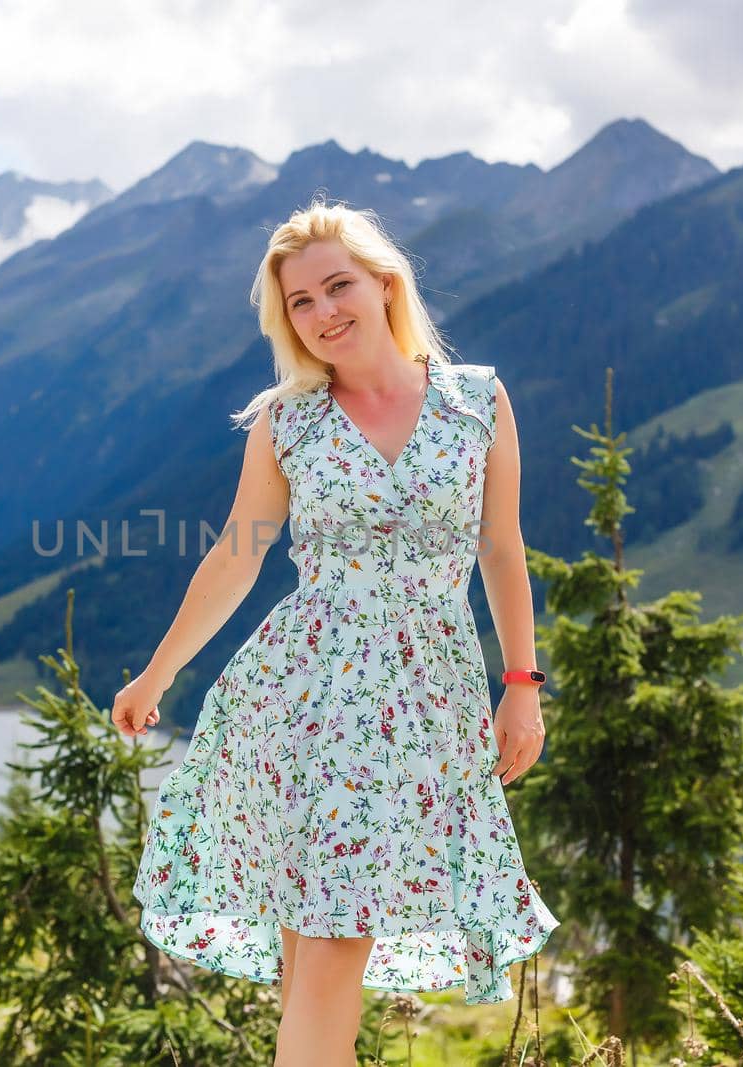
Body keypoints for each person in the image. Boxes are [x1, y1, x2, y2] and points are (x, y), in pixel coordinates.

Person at [112, 199, 560, 1067]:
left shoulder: (476, 401)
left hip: (429, 700)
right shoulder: (291, 422)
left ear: (386, 281)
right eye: (301, 303)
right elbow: (237, 558)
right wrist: (156, 675)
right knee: (322, 950)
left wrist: (521, 686)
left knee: (319, 959)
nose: (322, 314)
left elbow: (502, 550)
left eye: (336, 286)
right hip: (299, 701)